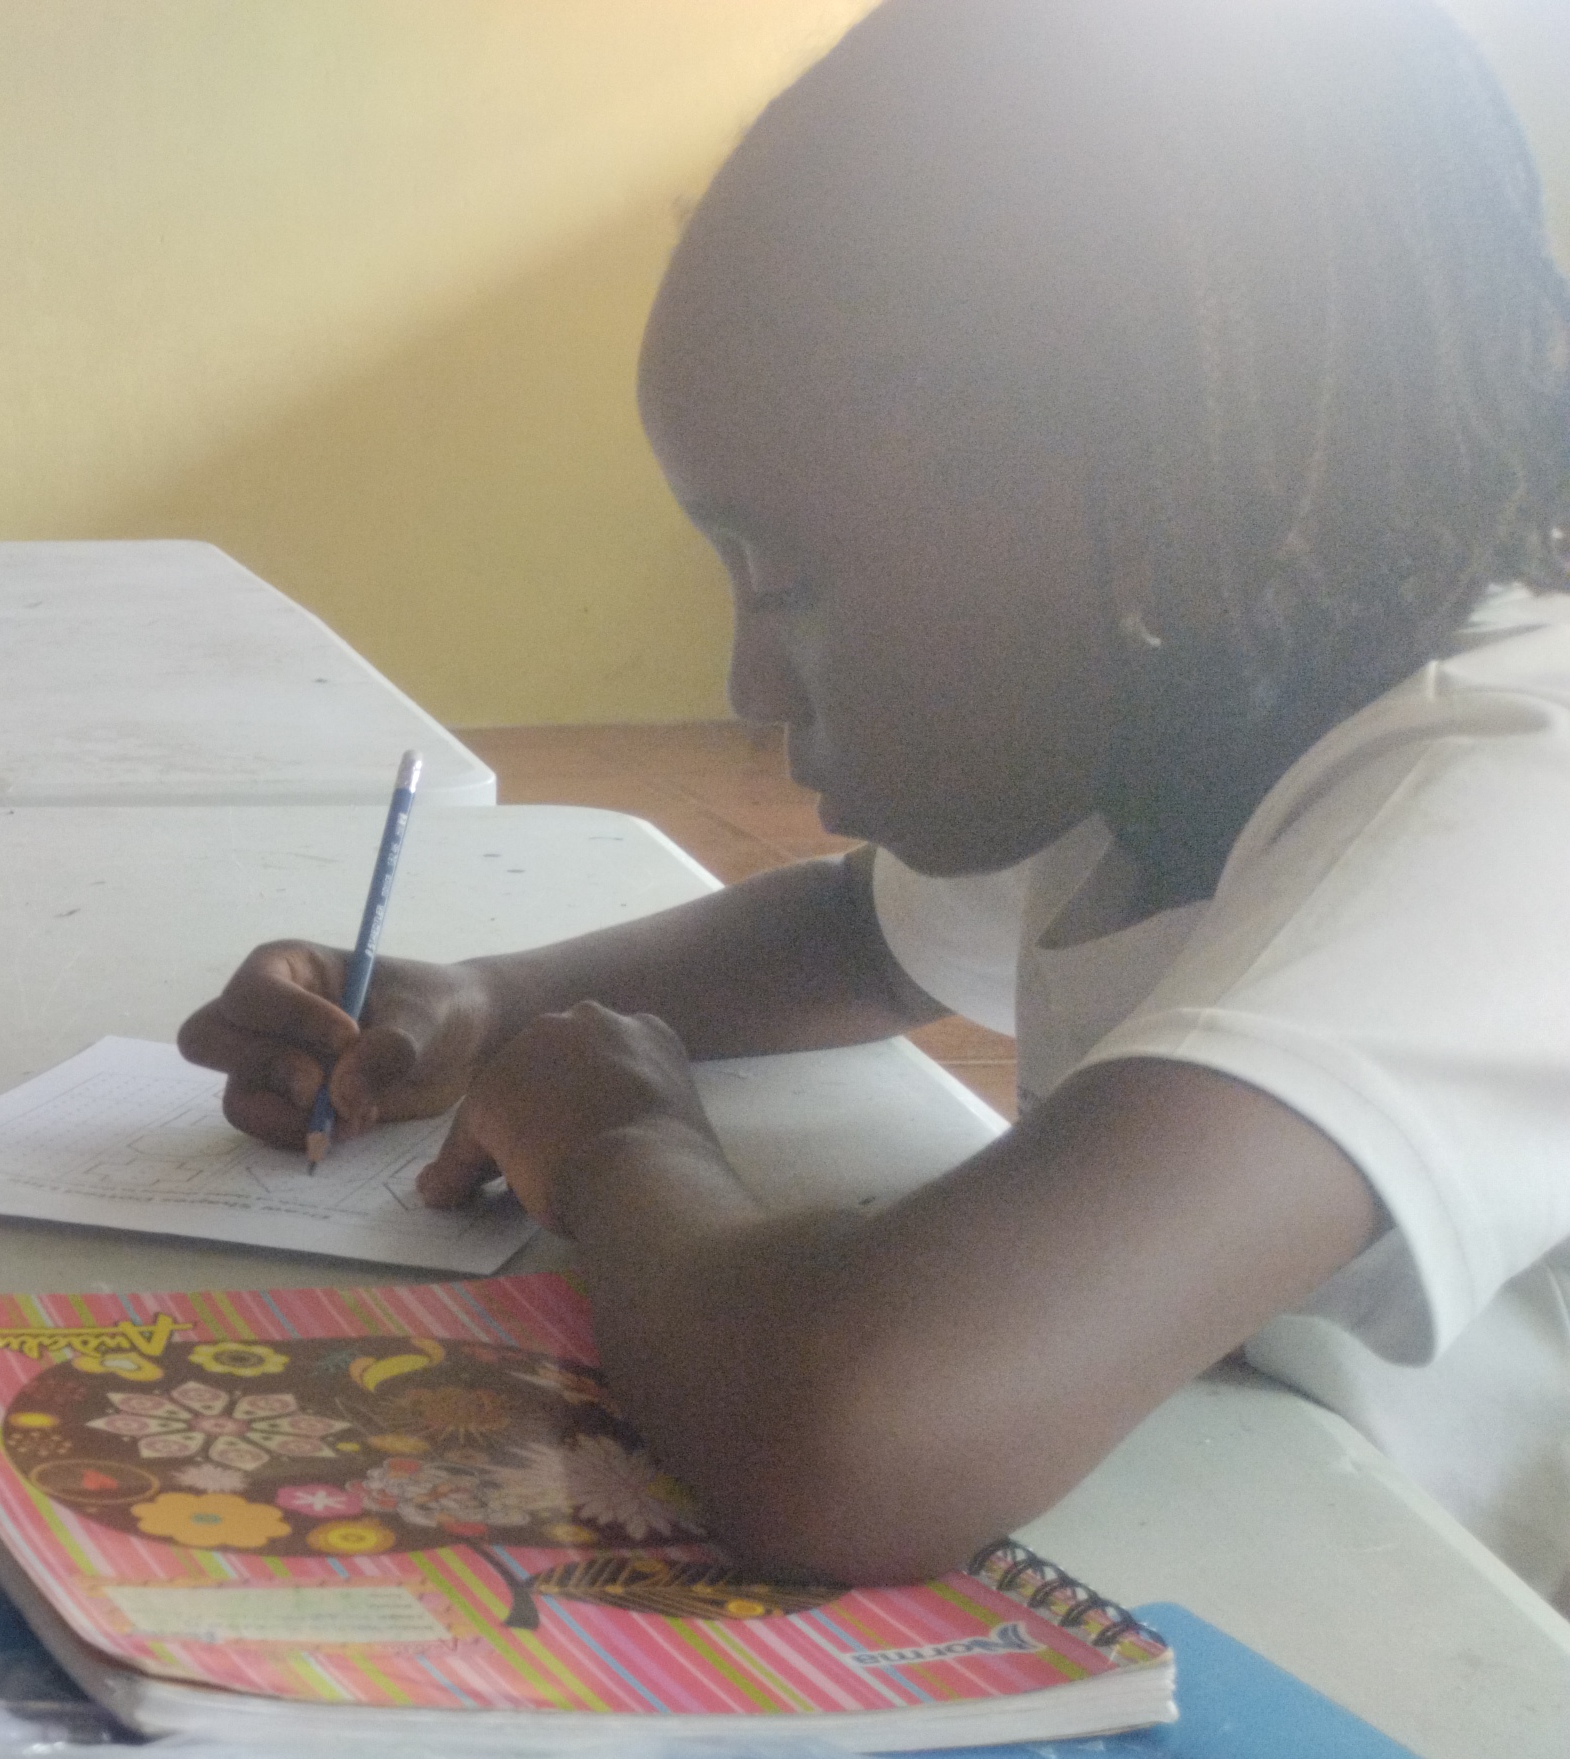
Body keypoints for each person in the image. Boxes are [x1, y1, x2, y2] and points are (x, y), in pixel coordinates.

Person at [176, 0, 1570, 1604]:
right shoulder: (1194, 695)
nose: (750, 684)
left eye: (789, 580)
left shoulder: (1506, 804)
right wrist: (490, 999)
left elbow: (847, 1436)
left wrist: (619, 1145)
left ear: (1146, 498)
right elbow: (858, 937)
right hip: (1297, 1559)